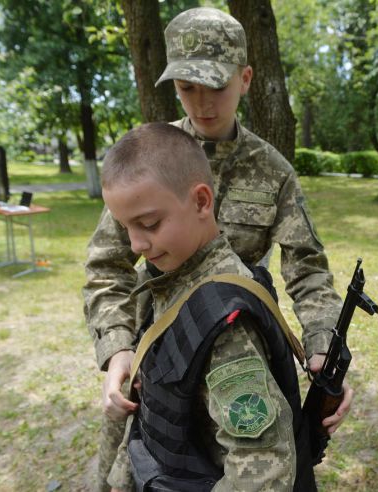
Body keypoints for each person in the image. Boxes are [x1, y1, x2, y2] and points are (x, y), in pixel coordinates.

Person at [83, 7, 351, 490]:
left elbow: (308, 269)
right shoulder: (153, 160)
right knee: (139, 466)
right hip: (159, 348)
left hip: (230, 342)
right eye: (187, 88)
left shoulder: (272, 171)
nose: (202, 103)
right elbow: (107, 265)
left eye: (217, 86)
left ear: (245, 79)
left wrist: (322, 349)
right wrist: (118, 347)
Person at [101, 122, 316, 490]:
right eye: (125, 228)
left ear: (202, 201)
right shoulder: (171, 272)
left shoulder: (226, 326)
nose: (136, 244)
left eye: (149, 224)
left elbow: (262, 468)